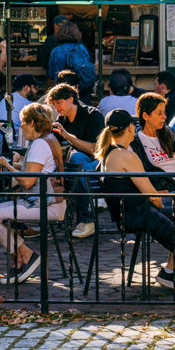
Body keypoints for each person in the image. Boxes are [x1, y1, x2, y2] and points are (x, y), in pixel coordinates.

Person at [96, 109, 175, 293]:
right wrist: (160, 206)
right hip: (139, 215)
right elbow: (152, 195)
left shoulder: (108, 154)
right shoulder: (125, 155)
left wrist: (160, 206)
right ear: (130, 128)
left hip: (131, 214)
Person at [0, 103, 67, 284]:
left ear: (32, 122)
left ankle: (26, 255)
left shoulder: (40, 144)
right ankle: (20, 257)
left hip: (46, 205)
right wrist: (14, 165)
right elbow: (35, 170)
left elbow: (26, 181)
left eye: (23, 122)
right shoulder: (48, 139)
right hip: (45, 201)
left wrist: (7, 166)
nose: (21, 127)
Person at [47, 82, 105, 239]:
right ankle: (90, 212)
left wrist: (67, 136)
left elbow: (95, 150)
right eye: (54, 104)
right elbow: (53, 142)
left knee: (76, 160)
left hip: (99, 163)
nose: (56, 107)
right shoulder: (62, 119)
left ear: (71, 99)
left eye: (59, 102)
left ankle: (87, 220)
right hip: (81, 168)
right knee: (76, 164)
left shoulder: (93, 115)